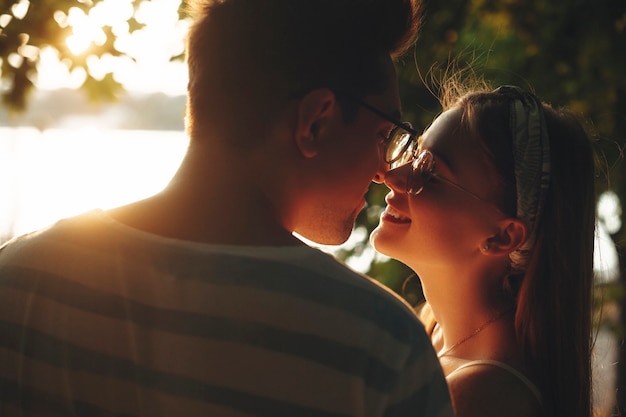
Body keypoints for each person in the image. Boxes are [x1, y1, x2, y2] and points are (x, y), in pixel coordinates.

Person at [0, 1, 455, 416]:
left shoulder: (21, 280)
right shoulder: (380, 347)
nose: (384, 171)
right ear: (316, 121)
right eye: (385, 137)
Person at [370, 83, 596, 417]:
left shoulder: (480, 396)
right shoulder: (430, 333)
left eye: (430, 173)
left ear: (502, 237)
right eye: (415, 155)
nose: (393, 176)